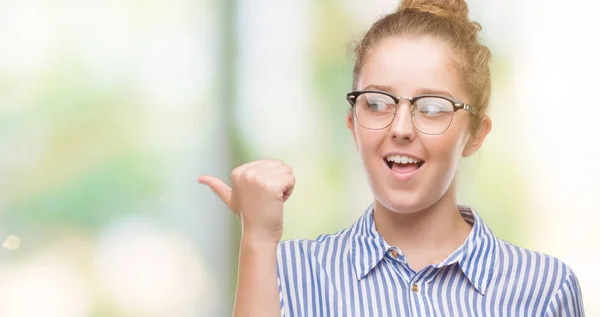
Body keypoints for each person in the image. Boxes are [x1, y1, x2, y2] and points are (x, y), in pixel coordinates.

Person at [198, 0, 585, 316]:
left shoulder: (544, 289)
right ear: (352, 124)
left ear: (476, 134)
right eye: (378, 103)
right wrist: (258, 239)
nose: (400, 128)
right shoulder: (291, 272)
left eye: (432, 107)